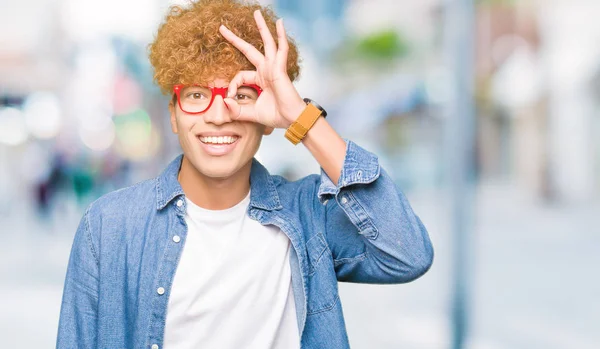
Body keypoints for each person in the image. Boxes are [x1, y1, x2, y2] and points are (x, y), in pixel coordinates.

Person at [56, 0, 434, 348]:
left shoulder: (308, 216)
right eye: (196, 95)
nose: (219, 114)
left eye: (241, 95)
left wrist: (301, 117)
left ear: (268, 119)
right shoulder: (109, 227)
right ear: (173, 113)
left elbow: (407, 254)